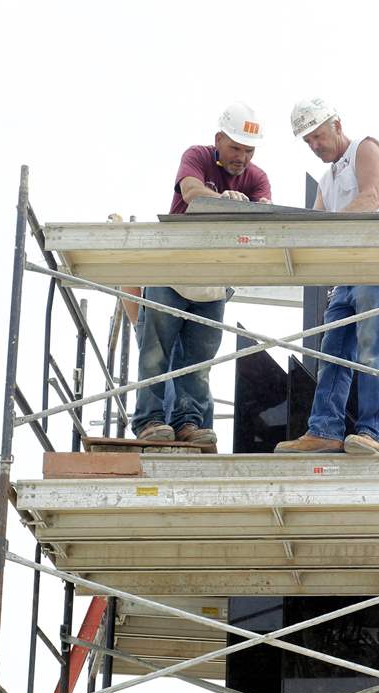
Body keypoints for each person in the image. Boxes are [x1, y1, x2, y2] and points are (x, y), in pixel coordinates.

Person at [125, 101, 272, 446]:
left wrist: (249, 208)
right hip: (172, 271)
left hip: (213, 282)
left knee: (199, 361)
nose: (242, 156)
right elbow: (191, 193)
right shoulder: (198, 157)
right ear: (218, 139)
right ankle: (150, 421)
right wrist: (226, 201)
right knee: (155, 353)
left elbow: (266, 217)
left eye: (248, 150)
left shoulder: (256, 178)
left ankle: (189, 422)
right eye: (235, 147)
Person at [275, 98, 379, 455]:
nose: (314, 146)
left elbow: (370, 198)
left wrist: (323, 234)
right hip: (347, 275)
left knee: (374, 347)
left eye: (318, 136)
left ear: (336, 125)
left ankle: (373, 432)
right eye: (308, 142)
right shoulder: (326, 181)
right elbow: (314, 225)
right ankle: (325, 429)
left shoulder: (367, 148)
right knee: (333, 353)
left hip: (378, 264)